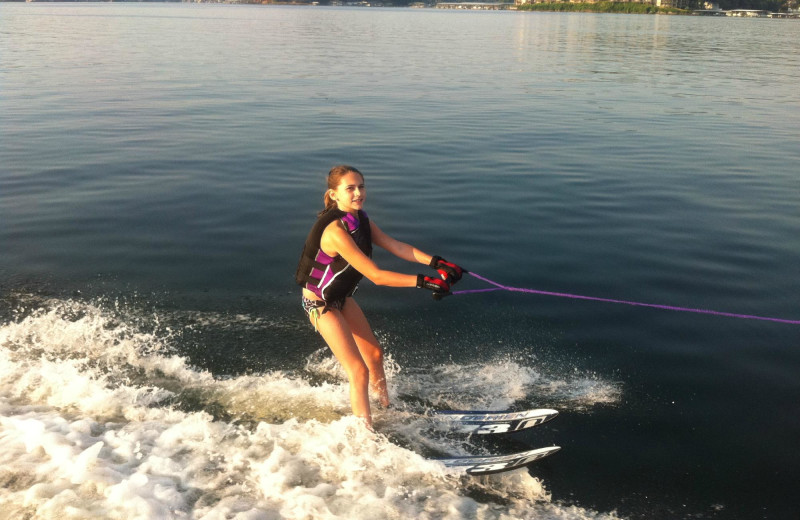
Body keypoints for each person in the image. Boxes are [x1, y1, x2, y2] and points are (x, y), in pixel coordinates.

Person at [295, 165, 465, 430]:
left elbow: (396, 246)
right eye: (350, 188)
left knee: (374, 353)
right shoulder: (335, 232)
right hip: (319, 303)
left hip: (341, 297)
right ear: (334, 194)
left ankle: (385, 407)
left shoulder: (360, 218)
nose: (358, 193)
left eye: (361, 186)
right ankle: (366, 435)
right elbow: (377, 275)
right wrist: (425, 282)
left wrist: (439, 264)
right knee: (358, 371)